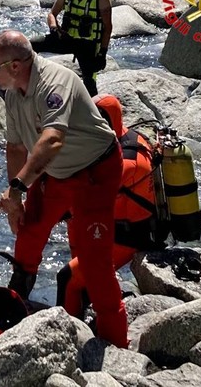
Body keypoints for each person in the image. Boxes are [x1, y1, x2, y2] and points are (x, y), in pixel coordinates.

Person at [0, 30, 127, 348]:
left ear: (14, 66)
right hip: (56, 173)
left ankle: (117, 344)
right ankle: (14, 305)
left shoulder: (54, 83)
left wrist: (18, 187)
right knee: (30, 231)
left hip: (94, 172)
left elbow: (52, 139)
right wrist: (16, 200)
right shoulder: (12, 94)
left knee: (94, 262)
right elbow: (14, 148)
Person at [57, 93, 165, 319]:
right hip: (117, 227)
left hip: (130, 239)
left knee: (66, 277)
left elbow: (80, 198)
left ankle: (69, 327)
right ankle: (85, 296)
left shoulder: (125, 164)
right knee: (74, 221)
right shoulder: (126, 137)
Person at [30, 0, 113, 97]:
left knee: (89, 82)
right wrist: (54, 28)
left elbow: (108, 27)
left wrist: (102, 52)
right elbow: (52, 14)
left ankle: (96, 113)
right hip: (66, 38)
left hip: (88, 45)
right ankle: (30, 82)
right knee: (31, 45)